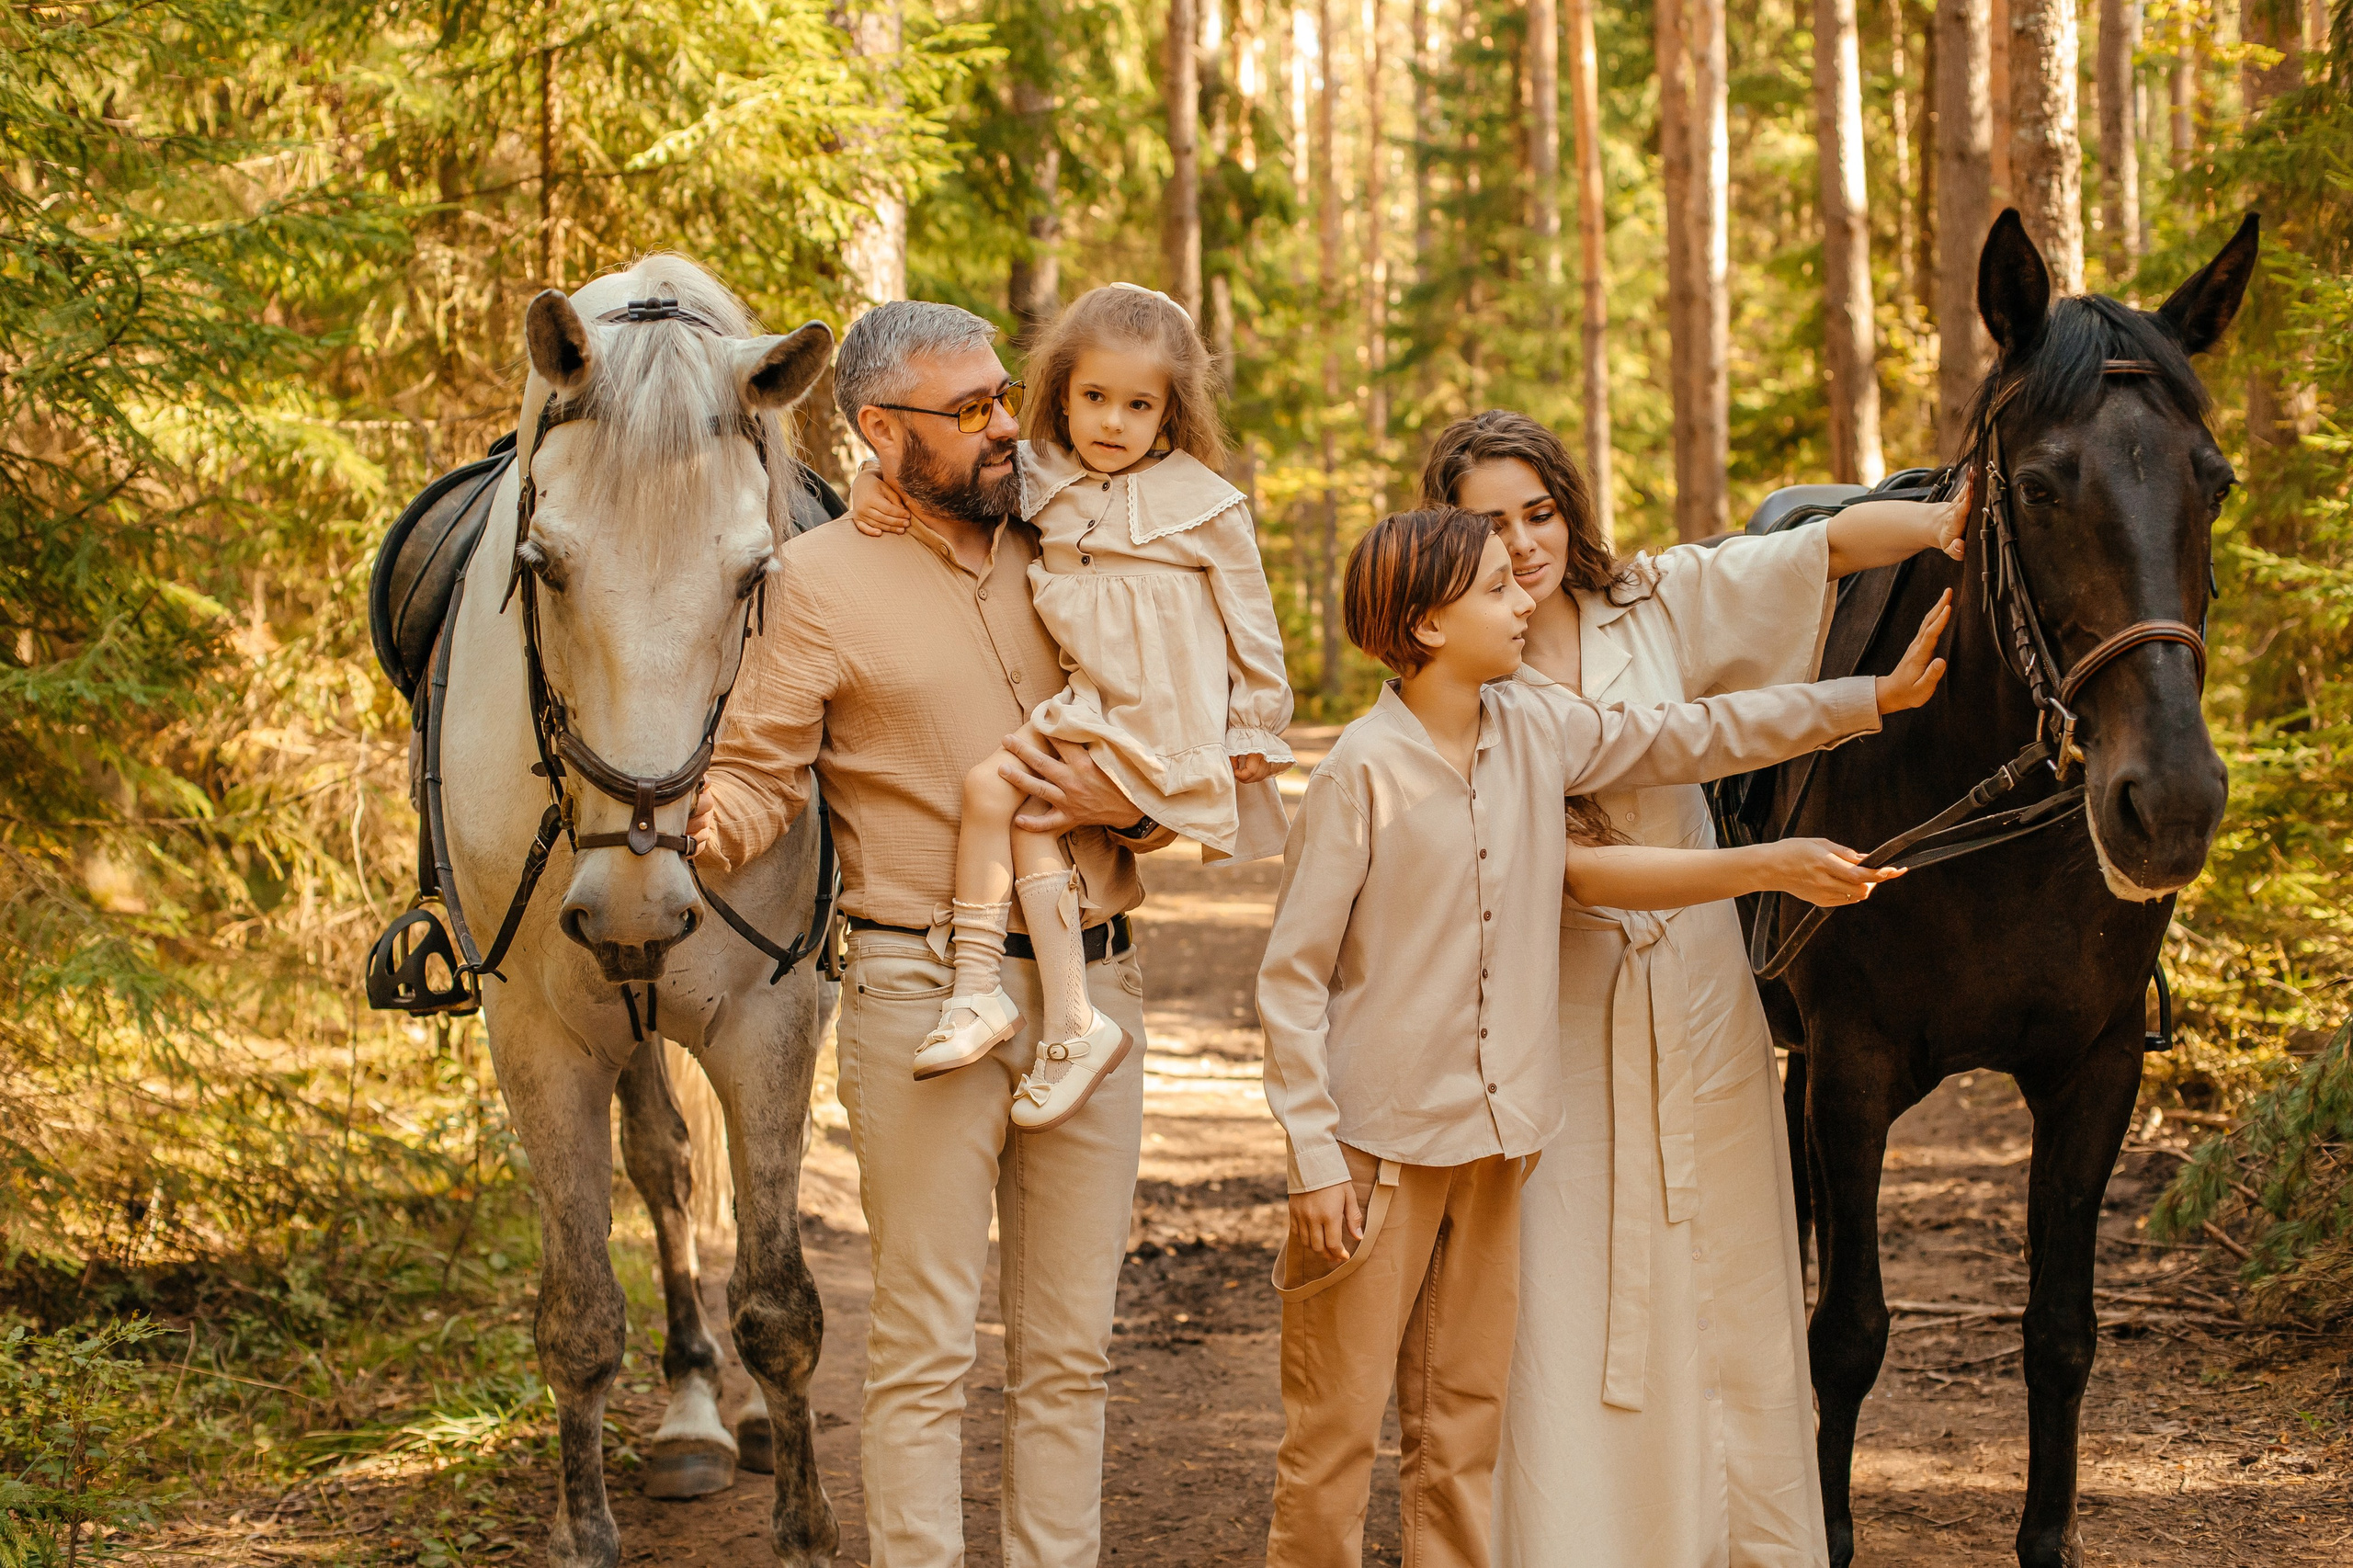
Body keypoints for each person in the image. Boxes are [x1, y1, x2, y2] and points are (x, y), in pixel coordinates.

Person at [1253, 505, 1951, 1568]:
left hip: (1497, 1148)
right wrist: (1311, 1156)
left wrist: (1870, 700)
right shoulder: (1360, 772)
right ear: (1427, 625)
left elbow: (1695, 733)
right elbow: (1292, 979)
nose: (1526, 596)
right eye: (1495, 587)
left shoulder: (1539, 727)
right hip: (1374, 1156)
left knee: (1461, 1429)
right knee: (1336, 1439)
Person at [1417, 410, 1968, 1568]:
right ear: (1443, 535)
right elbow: (1603, 830)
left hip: (1701, 995)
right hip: (1555, 1005)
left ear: (1569, 508)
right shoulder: (1466, 669)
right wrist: (1775, 850)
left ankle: (1745, 1539)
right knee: (1569, 1286)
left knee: (1723, 1262)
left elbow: (1814, 549)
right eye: (1487, 523)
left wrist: (1945, 517)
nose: (1521, 544)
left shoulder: (1650, 601)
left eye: (1538, 512)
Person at [688, 300, 1176, 1568]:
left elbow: (1169, 748)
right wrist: (691, 831)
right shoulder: (812, 586)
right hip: (921, 994)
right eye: (971, 413)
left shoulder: (1075, 545)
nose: (1010, 426)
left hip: (1097, 994)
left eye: (1005, 396)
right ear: (878, 432)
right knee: (924, 1347)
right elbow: (754, 770)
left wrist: (1133, 802)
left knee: (1071, 1351)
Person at [846, 282, 1291, 1131]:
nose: (1113, 423)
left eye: (1138, 405)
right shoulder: (1042, 476)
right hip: (1091, 708)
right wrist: (877, 482)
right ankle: (982, 993)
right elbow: (944, 477)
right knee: (991, 793)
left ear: (1170, 412)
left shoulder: (1206, 504)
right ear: (1059, 394)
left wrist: (1255, 724)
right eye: (1094, 398)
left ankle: (1070, 1021)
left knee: (1029, 816)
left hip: (1157, 717)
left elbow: (1252, 626)